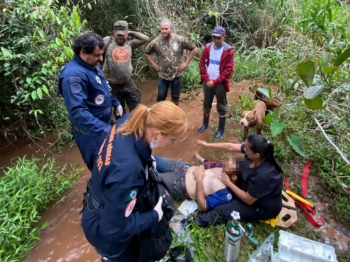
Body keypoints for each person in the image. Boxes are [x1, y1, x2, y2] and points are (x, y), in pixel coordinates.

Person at [81, 101, 187, 261]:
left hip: (102, 200)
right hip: (108, 235)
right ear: (157, 135)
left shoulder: (130, 120)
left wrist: (147, 159)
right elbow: (113, 230)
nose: (171, 144)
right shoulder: (129, 171)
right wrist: (154, 216)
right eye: (172, 140)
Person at [59, 32, 123, 171]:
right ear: (83, 52)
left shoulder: (92, 65)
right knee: (102, 168)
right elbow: (78, 113)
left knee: (116, 162)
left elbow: (101, 89)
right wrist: (106, 130)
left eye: (101, 54)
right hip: (91, 133)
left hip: (103, 125)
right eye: (97, 55)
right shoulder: (73, 76)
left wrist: (115, 102)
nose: (101, 59)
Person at [193, 134, 283, 227]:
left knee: (221, 210)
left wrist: (228, 183)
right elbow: (230, 147)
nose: (244, 149)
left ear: (256, 155)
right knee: (228, 166)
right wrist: (207, 144)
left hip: (259, 206)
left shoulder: (264, 175)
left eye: (247, 149)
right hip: (249, 184)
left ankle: (193, 222)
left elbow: (248, 200)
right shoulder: (255, 153)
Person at [154, 155, 242, 212]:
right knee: (155, 160)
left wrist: (199, 179)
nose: (227, 162)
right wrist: (202, 167)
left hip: (178, 185)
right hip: (183, 167)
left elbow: (202, 207)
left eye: (231, 164)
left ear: (234, 177)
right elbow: (209, 165)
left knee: (149, 179)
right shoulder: (224, 167)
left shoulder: (225, 194)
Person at [145, 18, 197, 105]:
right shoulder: (155, 42)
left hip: (177, 74)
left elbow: (194, 48)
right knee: (161, 97)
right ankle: (160, 115)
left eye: (166, 29)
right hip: (163, 75)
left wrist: (186, 63)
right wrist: (154, 64)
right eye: (162, 29)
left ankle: (173, 115)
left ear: (171, 28)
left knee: (175, 97)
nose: (164, 31)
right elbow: (147, 53)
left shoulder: (179, 39)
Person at [103, 20, 149, 116]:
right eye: (118, 34)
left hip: (128, 83)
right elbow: (94, 51)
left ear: (127, 34)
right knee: (119, 112)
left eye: (123, 34)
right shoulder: (107, 43)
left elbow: (145, 38)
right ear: (113, 33)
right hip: (113, 85)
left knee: (136, 109)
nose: (121, 36)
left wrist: (131, 32)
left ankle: (135, 128)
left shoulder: (130, 44)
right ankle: (122, 130)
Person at [198, 26, 235, 139]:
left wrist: (216, 81)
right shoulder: (207, 48)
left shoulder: (228, 50)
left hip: (220, 83)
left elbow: (229, 70)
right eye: (214, 37)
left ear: (224, 37)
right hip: (208, 82)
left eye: (218, 38)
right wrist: (207, 79)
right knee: (206, 103)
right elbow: (201, 64)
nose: (216, 40)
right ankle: (205, 124)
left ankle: (221, 129)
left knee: (221, 106)